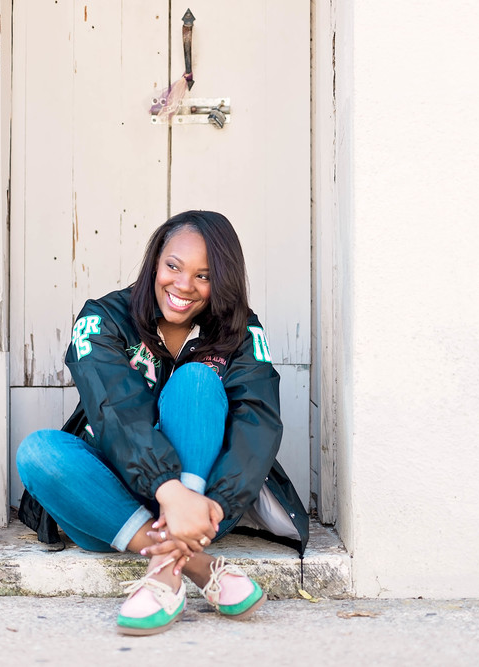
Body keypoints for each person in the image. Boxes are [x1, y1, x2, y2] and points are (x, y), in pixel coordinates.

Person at [16, 210, 309, 636]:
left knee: (195, 381)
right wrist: (169, 493)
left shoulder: (241, 330)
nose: (183, 285)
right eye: (173, 266)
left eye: (203, 275)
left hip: (208, 509)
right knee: (39, 452)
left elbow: (258, 422)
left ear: (223, 280)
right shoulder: (104, 318)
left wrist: (210, 506)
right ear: (156, 261)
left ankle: (164, 572)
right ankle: (195, 564)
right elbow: (113, 408)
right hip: (112, 507)